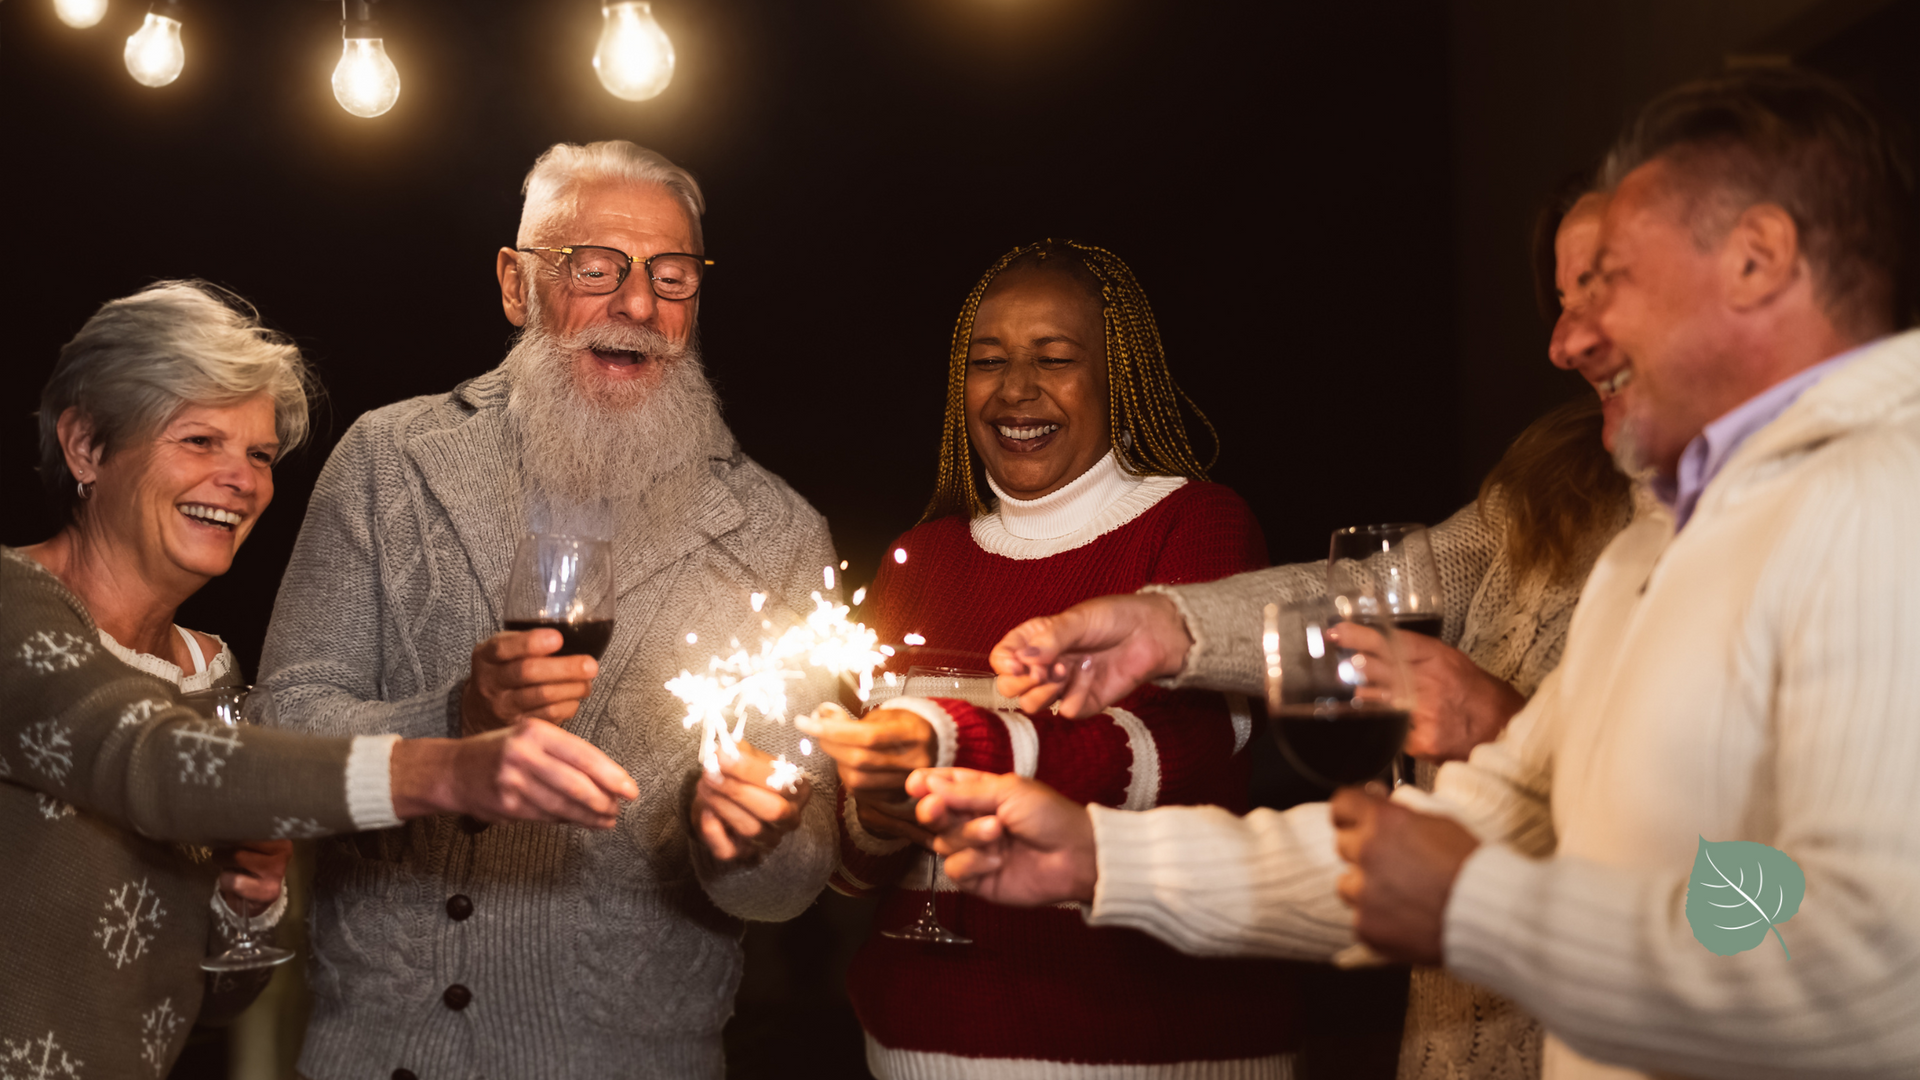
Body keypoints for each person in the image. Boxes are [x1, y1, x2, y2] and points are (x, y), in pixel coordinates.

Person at [915, 68, 1920, 1079]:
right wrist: (1104, 859)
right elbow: (1470, 825)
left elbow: (1874, 986)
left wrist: (1476, 906)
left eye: (1611, 282)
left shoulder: (1887, 504)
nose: (1569, 339)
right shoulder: (1658, 549)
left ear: (1757, 260)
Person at [259, 141, 839, 1079]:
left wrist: (753, 836)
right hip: (380, 1056)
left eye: (672, 274)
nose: (640, 306)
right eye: (595, 268)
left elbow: (789, 886)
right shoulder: (389, 463)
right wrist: (453, 723)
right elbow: (279, 742)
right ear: (515, 284)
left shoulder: (774, 534)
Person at [1, 281, 638, 1079]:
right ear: (87, 447)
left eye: (260, 454)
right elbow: (148, 762)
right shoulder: (11, 607)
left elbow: (208, 1006)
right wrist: (451, 767)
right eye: (200, 441)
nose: (241, 479)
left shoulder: (213, 674)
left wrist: (249, 900)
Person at [794, 239, 1285, 1079]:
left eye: (1054, 358)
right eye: (989, 361)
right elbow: (855, 871)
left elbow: (1185, 751)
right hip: (912, 1048)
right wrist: (874, 813)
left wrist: (962, 744)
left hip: (1151, 1047)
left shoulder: (1197, 523)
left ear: (1118, 376)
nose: (1016, 388)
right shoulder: (919, 558)